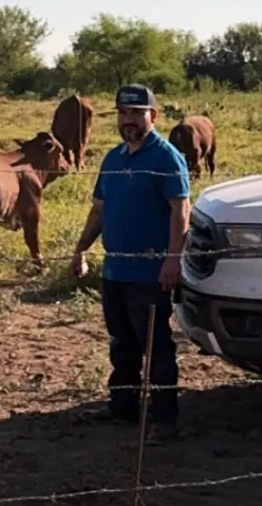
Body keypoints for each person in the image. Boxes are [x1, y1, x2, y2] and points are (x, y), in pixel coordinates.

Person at [71, 84, 191, 443]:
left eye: (137, 113)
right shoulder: (113, 159)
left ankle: (163, 420)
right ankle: (122, 408)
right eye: (123, 114)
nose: (129, 121)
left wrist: (173, 259)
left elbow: (180, 210)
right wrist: (81, 249)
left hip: (149, 272)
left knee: (155, 345)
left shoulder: (167, 157)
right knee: (121, 342)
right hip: (115, 270)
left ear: (153, 116)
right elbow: (100, 210)